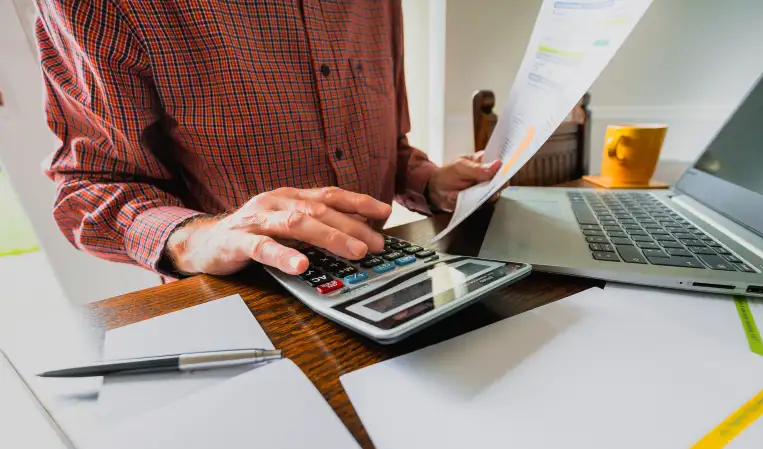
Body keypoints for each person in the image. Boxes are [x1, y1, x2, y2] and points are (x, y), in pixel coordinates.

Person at [34, 0, 500, 280]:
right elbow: (91, 186)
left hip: (381, 276)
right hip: (242, 303)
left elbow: (388, 145)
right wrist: (205, 238)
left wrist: (430, 181)